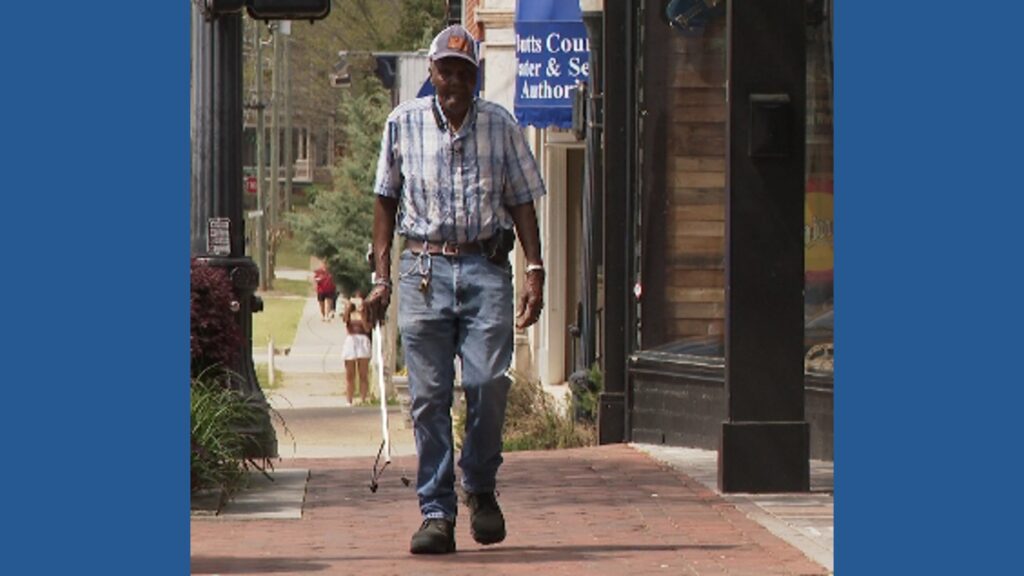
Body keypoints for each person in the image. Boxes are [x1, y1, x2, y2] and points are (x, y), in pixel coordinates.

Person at [362, 25, 546, 555]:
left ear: (476, 75)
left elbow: (523, 201)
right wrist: (380, 278)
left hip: (486, 267)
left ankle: (480, 486)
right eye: (446, 70)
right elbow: (384, 200)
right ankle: (437, 511)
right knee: (428, 397)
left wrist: (535, 268)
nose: (455, 81)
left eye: (465, 71)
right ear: (431, 72)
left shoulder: (500, 125)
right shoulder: (403, 124)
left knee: (488, 382)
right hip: (422, 269)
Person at [341, 290, 371, 405]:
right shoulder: (350, 312)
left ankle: (363, 398)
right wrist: (348, 308)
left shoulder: (365, 313)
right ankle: (349, 399)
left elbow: (367, 328)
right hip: (351, 340)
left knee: (363, 373)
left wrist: (362, 313)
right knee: (350, 374)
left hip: (363, 341)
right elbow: (345, 321)